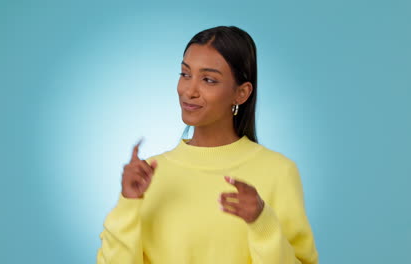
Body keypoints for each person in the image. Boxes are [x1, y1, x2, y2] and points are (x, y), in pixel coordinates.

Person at [96, 25, 319, 264]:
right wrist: (128, 202)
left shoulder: (279, 172)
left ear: (241, 93)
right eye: (185, 74)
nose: (189, 91)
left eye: (209, 80)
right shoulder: (147, 175)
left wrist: (262, 222)